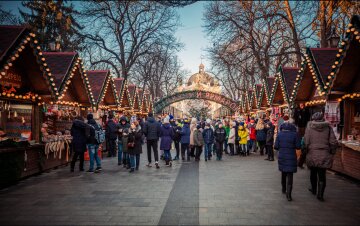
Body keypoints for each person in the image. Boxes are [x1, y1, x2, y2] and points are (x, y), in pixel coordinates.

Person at [304, 112, 338, 201]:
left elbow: (306, 141)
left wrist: (306, 150)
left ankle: (314, 189)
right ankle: (320, 195)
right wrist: (332, 151)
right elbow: (333, 142)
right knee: (322, 175)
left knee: (313, 173)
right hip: (324, 153)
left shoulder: (309, 127)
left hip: (312, 153)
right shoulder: (328, 128)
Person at [274, 121, 301, 201]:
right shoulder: (295, 134)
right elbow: (298, 146)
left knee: (283, 172)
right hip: (292, 156)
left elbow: (276, 146)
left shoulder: (280, 134)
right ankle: (289, 194)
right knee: (290, 175)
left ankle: (283, 188)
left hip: (282, 156)